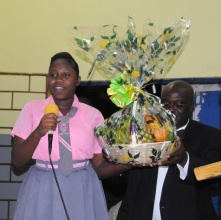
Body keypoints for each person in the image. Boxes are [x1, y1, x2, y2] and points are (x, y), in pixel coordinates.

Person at [11, 52, 131, 220]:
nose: (58, 80)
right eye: (53, 75)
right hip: (42, 188)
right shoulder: (32, 109)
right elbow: (17, 160)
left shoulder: (93, 115)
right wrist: (38, 132)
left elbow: (99, 167)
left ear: (78, 80)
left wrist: (129, 162)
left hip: (82, 189)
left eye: (65, 75)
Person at [111, 80, 221, 220]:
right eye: (165, 104)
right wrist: (118, 155)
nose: (171, 109)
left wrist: (184, 160)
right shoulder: (139, 134)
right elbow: (116, 181)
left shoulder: (212, 137)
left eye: (179, 105)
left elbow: (215, 182)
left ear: (191, 107)